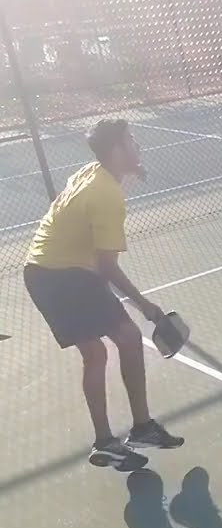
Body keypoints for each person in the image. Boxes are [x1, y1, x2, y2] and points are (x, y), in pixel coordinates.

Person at [24, 119, 184, 472]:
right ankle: (139, 429)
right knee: (127, 337)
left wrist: (132, 168)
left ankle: (108, 442)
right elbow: (107, 267)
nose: (137, 144)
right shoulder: (107, 195)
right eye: (130, 141)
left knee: (95, 353)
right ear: (116, 149)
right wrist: (144, 304)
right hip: (60, 274)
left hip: (42, 270)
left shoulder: (92, 171)